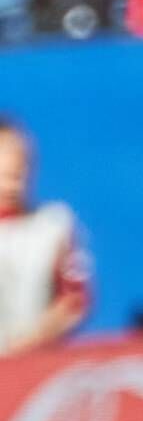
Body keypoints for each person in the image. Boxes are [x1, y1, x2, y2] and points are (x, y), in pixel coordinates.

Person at [0, 120, 89, 355]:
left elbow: (75, 301)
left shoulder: (53, 225)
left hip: (34, 371)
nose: (12, 184)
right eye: (6, 174)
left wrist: (24, 345)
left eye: (19, 172)